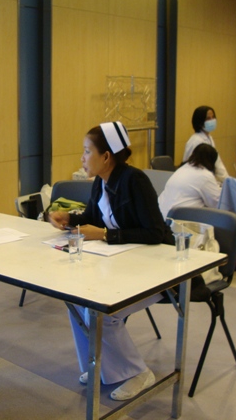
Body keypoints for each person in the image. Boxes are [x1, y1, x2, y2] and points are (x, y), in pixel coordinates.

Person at [48, 121, 173, 401]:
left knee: (106, 312)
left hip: (157, 271)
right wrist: (68, 218)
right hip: (124, 265)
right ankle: (99, 365)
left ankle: (138, 372)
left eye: (87, 151)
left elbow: (155, 232)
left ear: (106, 157)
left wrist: (106, 235)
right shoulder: (100, 183)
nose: (82, 157)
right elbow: (92, 219)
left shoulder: (134, 181)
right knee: (77, 302)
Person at [158, 144, 222, 219]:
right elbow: (217, 203)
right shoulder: (205, 175)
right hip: (178, 219)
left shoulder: (183, 168)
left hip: (161, 216)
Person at [182, 105, 229, 183]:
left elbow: (217, 163)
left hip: (206, 178)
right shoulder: (195, 141)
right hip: (196, 180)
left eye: (213, 117)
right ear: (200, 122)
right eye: (208, 118)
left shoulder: (209, 138)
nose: (212, 120)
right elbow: (189, 165)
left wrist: (228, 181)